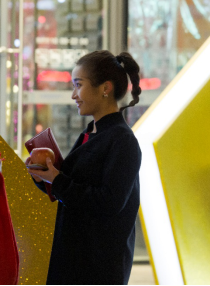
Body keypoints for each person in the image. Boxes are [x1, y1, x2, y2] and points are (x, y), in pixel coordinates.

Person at [27, 50, 143, 285]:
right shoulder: (92, 132)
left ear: (105, 88)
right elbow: (72, 190)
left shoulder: (122, 141)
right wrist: (44, 178)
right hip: (73, 260)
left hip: (96, 268)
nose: (73, 95)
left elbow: (108, 202)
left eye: (78, 85)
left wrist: (57, 180)